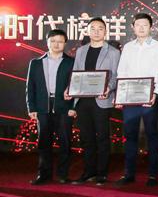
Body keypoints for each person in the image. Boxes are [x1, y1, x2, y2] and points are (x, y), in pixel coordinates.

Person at [115, 13, 158, 187]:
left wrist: (155, 94)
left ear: (151, 27)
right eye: (138, 24)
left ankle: (153, 175)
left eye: (145, 25)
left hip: (149, 97)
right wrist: (121, 95)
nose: (141, 28)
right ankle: (129, 173)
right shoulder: (128, 47)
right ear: (133, 27)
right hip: (130, 97)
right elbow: (122, 72)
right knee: (130, 135)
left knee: (151, 135)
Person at [67, 17, 120, 186]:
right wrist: (70, 89)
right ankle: (89, 172)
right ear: (88, 31)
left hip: (102, 100)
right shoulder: (81, 51)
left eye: (100, 28)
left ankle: (102, 173)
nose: (96, 32)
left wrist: (108, 89)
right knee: (86, 138)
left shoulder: (113, 52)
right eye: (93, 29)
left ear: (105, 31)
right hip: (83, 101)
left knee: (103, 137)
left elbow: (116, 76)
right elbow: (76, 73)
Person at [25, 29, 76, 185]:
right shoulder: (36, 63)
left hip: (64, 106)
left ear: (65, 43)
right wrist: (32, 108)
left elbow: (77, 86)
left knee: (65, 142)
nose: (56, 44)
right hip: (42, 107)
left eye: (60, 41)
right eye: (53, 41)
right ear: (47, 42)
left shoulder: (72, 62)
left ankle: (62, 175)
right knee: (43, 142)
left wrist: (74, 107)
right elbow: (30, 87)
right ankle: (44, 174)